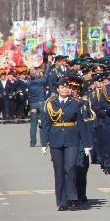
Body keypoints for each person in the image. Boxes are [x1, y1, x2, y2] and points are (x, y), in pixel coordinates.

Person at [41, 76, 95, 210]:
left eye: (67, 87)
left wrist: (87, 144)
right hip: (56, 138)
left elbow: (82, 125)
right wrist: (44, 143)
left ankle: (72, 196)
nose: (65, 89)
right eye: (62, 87)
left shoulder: (76, 103)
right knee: (58, 170)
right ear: (58, 89)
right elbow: (46, 124)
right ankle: (61, 201)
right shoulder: (51, 104)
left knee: (70, 167)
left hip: (72, 138)